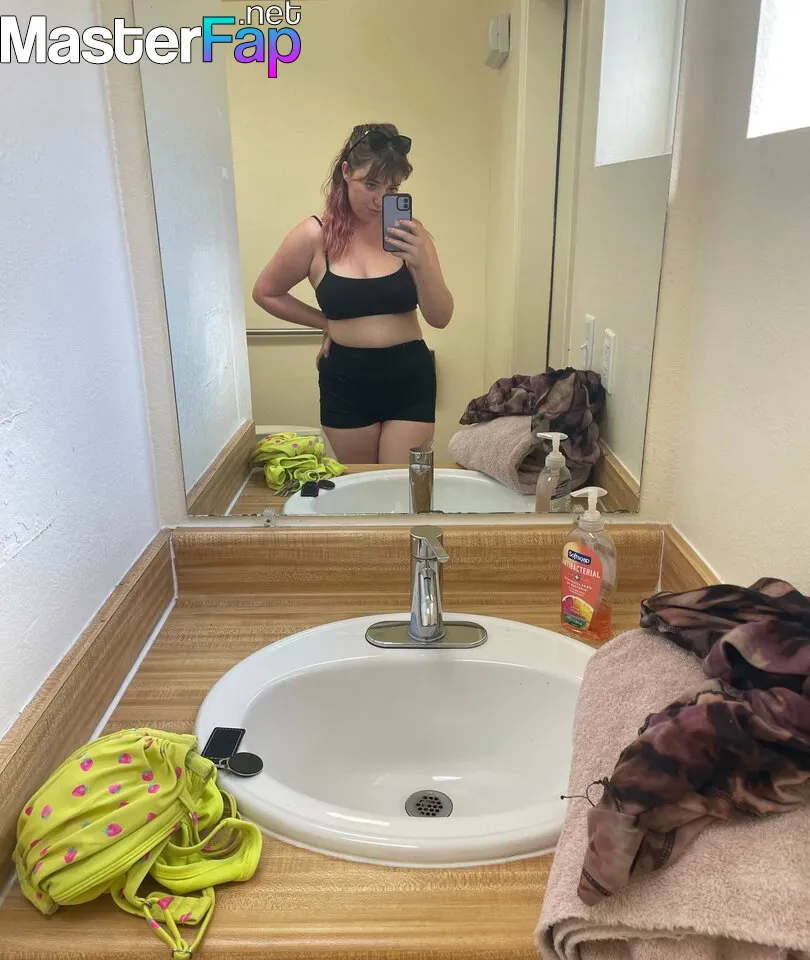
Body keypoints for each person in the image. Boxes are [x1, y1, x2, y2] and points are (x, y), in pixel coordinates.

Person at [252, 123, 454, 464]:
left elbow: (440, 317)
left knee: (398, 483)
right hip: (346, 378)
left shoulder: (410, 234)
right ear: (346, 172)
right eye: (370, 184)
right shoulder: (314, 235)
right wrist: (327, 324)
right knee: (361, 485)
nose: (380, 200)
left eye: (392, 188)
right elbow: (267, 293)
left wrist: (421, 264)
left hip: (409, 376)